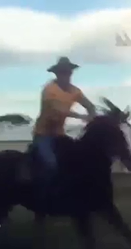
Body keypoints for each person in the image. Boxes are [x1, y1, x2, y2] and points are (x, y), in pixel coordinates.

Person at [32, 57, 96, 188]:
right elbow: (57, 109)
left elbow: (90, 106)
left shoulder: (75, 91)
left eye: (68, 72)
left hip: (59, 134)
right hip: (43, 135)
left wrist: (92, 117)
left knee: (75, 159)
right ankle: (44, 193)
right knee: (51, 163)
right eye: (63, 72)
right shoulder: (49, 90)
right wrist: (82, 116)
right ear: (56, 74)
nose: (66, 75)